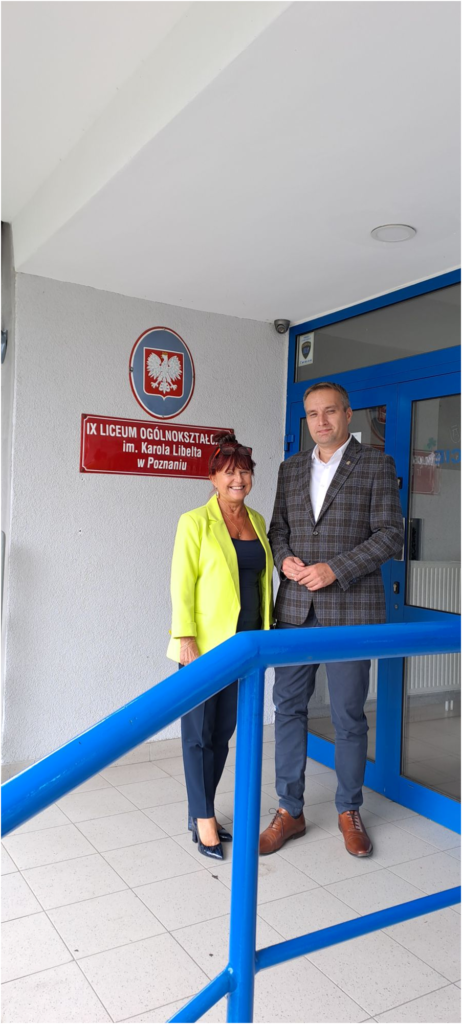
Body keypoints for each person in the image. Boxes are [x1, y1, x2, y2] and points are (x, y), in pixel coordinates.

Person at [259, 382, 403, 858]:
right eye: (313, 414)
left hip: (351, 611)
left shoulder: (376, 464)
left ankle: (349, 809)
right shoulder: (291, 468)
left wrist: (335, 569)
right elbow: (278, 529)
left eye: (330, 412)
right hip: (295, 611)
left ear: (347, 413)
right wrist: (284, 560)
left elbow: (390, 536)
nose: (321, 421)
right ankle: (290, 810)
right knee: (287, 710)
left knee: (348, 716)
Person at [167, 431, 273, 860]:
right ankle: (204, 818)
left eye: (244, 472)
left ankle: (201, 809)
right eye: (229, 473)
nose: (238, 480)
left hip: (245, 648)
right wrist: (185, 638)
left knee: (222, 734)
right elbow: (182, 584)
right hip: (205, 646)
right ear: (212, 478)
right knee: (198, 734)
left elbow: (261, 581)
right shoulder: (194, 522)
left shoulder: (258, 522)